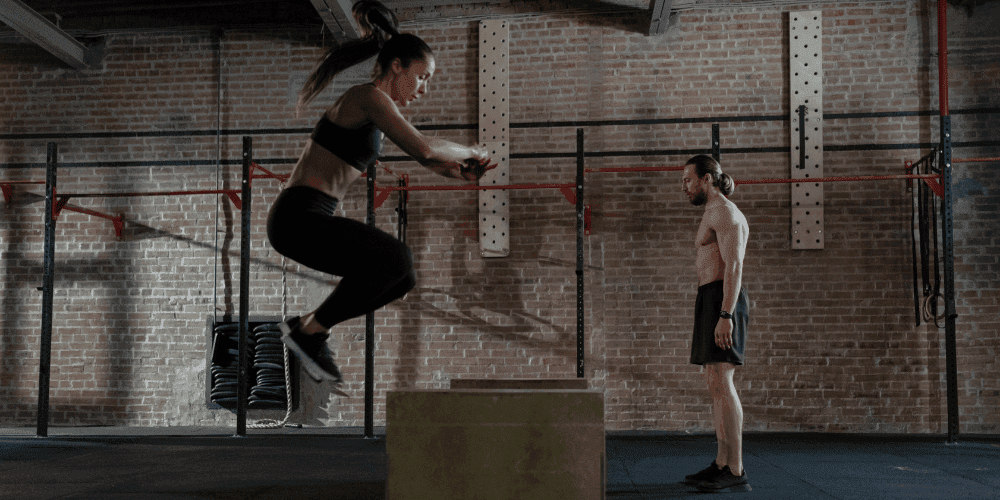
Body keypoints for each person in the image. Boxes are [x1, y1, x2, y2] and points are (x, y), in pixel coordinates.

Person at [267, 0, 494, 386]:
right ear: (396, 66)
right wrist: (471, 150)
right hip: (298, 218)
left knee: (400, 276)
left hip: (311, 218)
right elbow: (422, 147)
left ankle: (309, 328)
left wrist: (456, 172)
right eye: (422, 77)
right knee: (397, 258)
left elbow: (426, 159)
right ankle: (309, 331)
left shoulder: (377, 109)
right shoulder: (367, 98)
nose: (424, 89)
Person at [679, 155, 752, 493]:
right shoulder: (712, 212)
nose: (684, 187)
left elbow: (734, 267)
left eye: (688, 180)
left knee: (724, 379)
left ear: (707, 179)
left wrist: (725, 315)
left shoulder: (725, 212)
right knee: (714, 381)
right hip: (710, 297)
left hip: (724, 300)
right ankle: (721, 462)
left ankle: (736, 470)